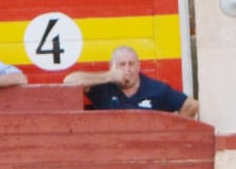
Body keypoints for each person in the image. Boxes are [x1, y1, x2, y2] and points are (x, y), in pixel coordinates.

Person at [63, 46, 200, 118]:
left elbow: (191, 106)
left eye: (131, 64)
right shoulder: (103, 87)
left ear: (138, 66)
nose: (127, 69)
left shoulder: (156, 89)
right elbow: (69, 82)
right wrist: (108, 76)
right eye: (122, 65)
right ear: (112, 66)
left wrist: (172, 138)